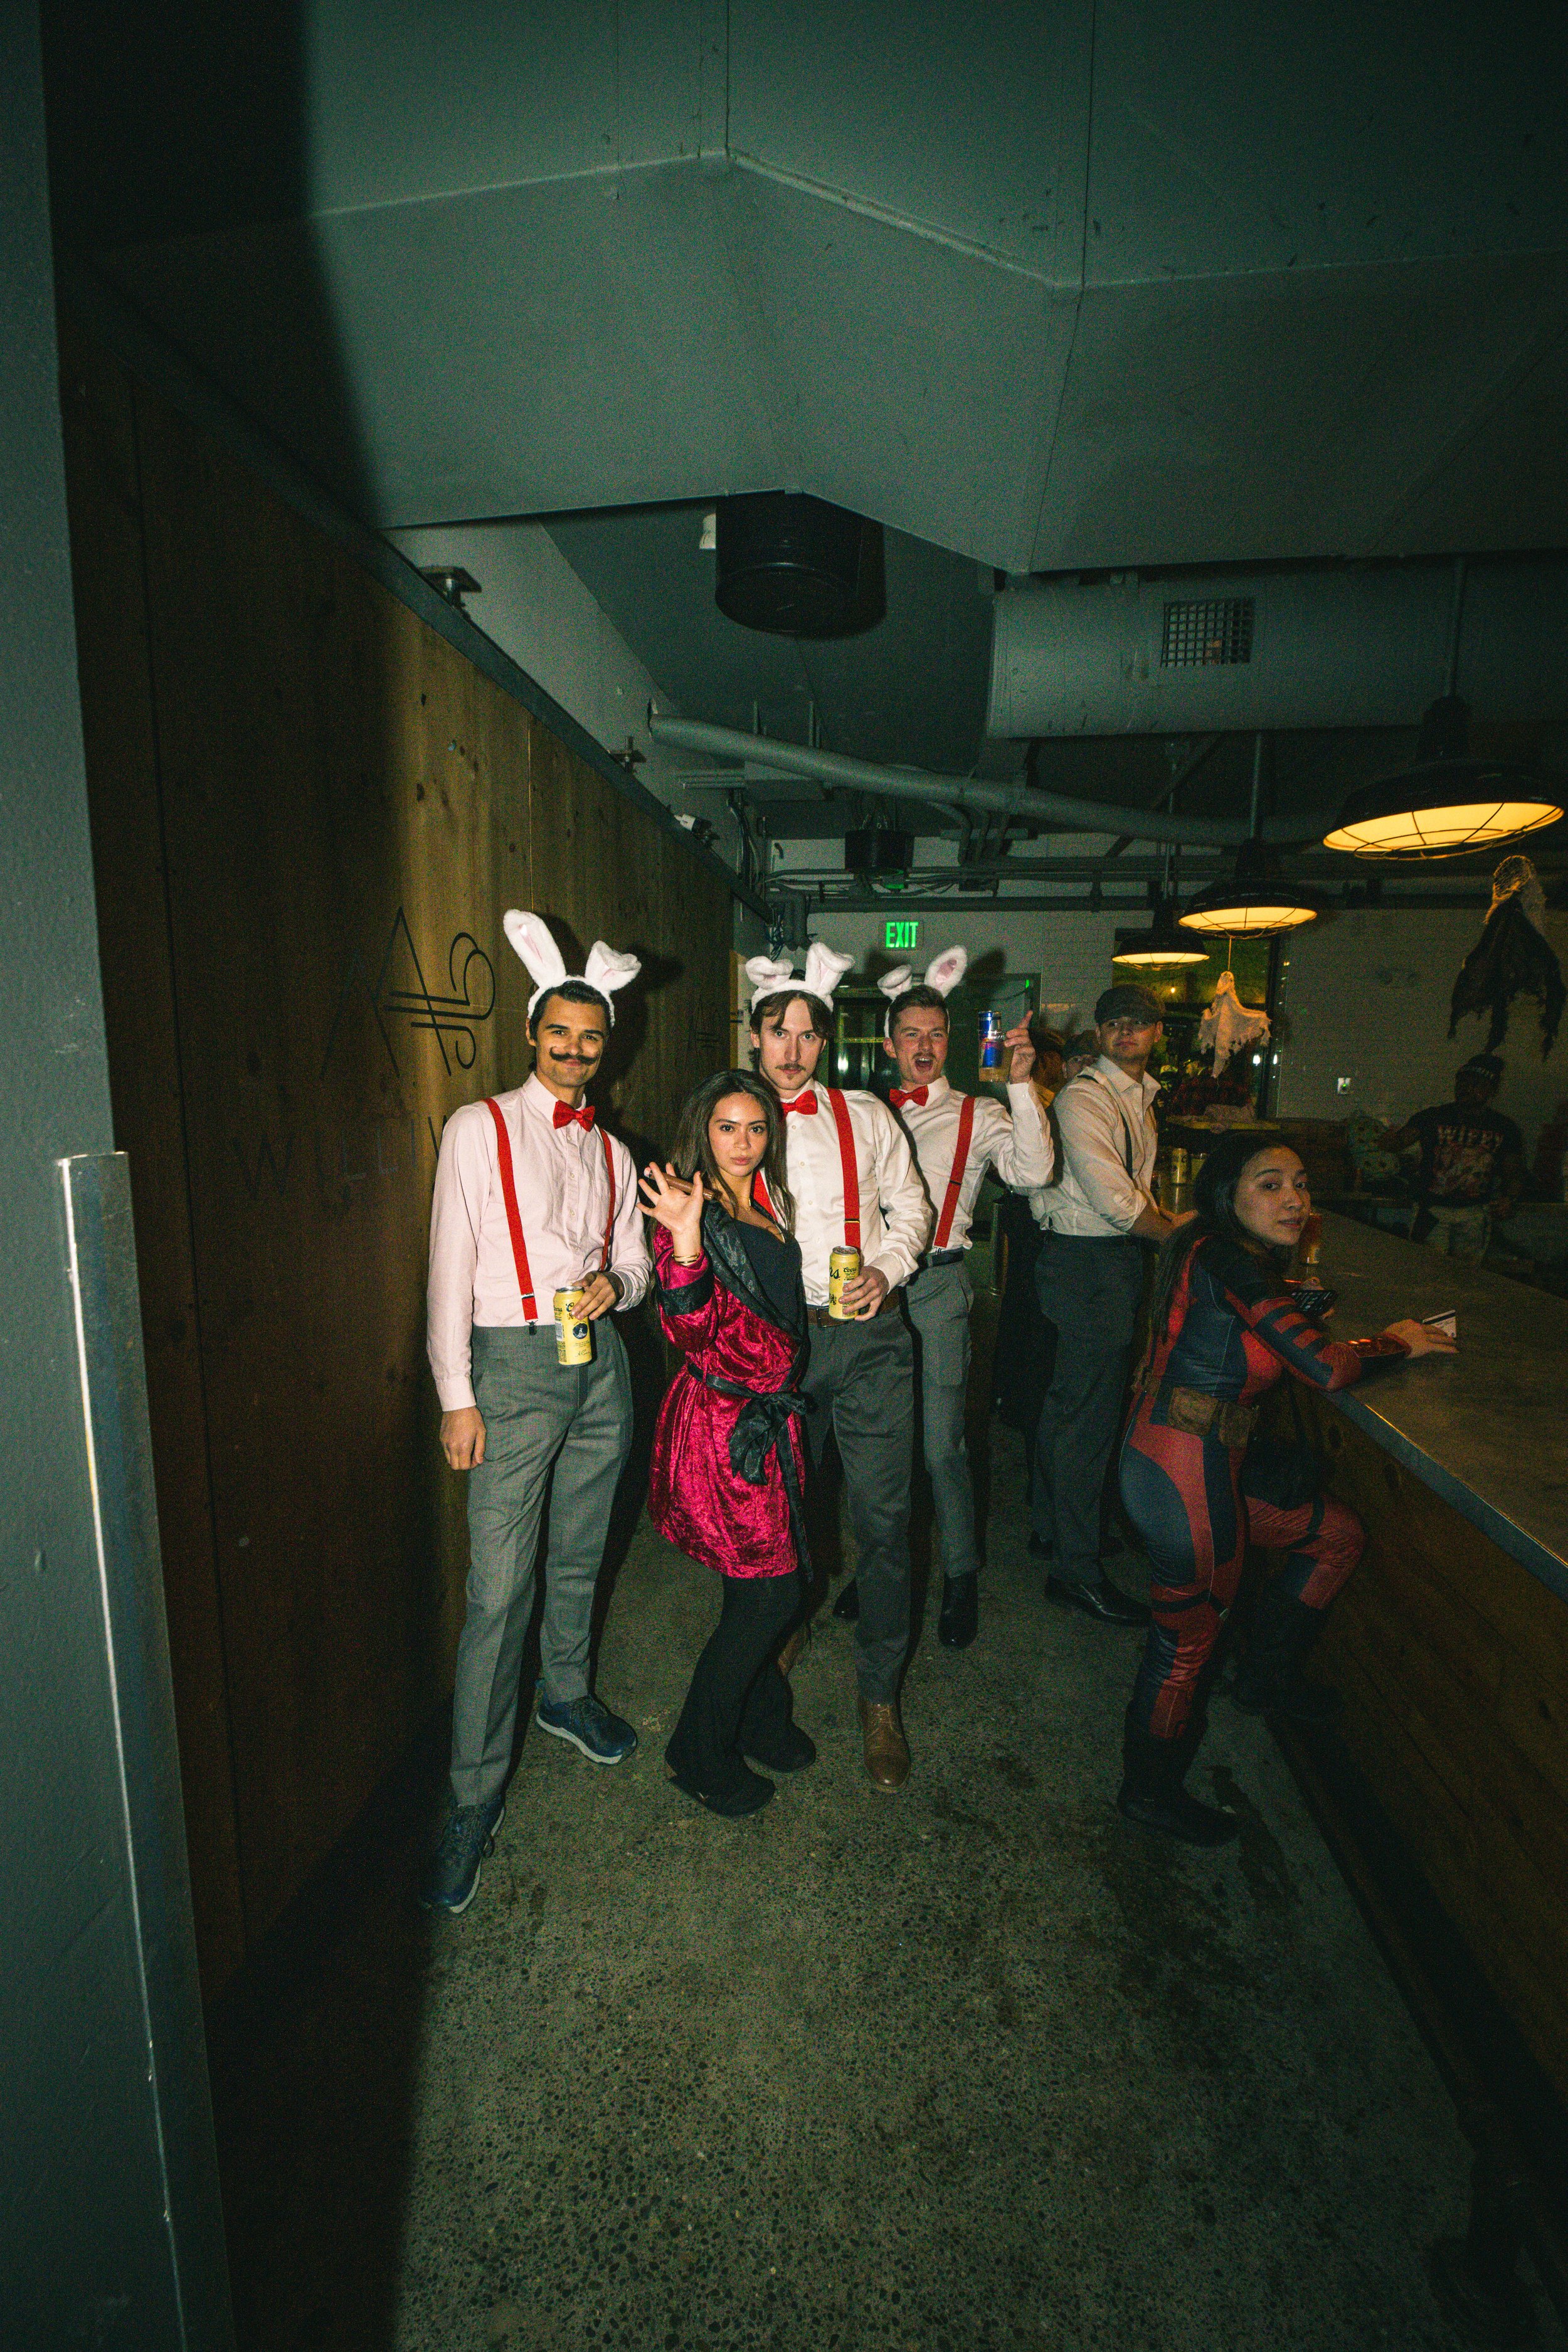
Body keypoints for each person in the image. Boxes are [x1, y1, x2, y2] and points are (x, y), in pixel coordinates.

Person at [1118, 1133, 1456, 1845]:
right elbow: (1324, 1368)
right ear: (1227, 1195)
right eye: (1270, 1185)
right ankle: (1147, 1793)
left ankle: (1264, 1679)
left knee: (1335, 1534)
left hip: (1181, 1460)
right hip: (1183, 1477)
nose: (1294, 1199)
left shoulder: (1212, 1247)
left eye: (1300, 1183)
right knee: (1184, 1648)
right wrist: (1396, 1341)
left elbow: (1257, 1331)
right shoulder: (1232, 1260)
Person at [420, 913, 651, 1915]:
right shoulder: (477, 1128)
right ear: (531, 1033)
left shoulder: (613, 1150)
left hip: (600, 1366)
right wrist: (456, 1395)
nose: (573, 1049)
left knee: (581, 1550)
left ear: (608, 1047)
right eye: (559, 1032)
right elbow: (448, 1266)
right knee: (497, 1590)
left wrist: (618, 1286)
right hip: (510, 1371)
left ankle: (565, 1693)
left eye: (590, 1037)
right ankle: (472, 1796)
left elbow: (637, 1261)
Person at [746, 946, 933, 1790]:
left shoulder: (866, 1114)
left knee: (885, 1521)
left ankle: (880, 1693)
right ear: (755, 1037)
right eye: (777, 1031)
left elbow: (912, 1207)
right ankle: (785, 1628)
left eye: (808, 1034)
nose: (792, 1049)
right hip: (779, 1344)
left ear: (825, 1042)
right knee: (779, 1516)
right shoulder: (731, 1119)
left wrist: (887, 1269)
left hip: (871, 1341)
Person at [835, 944, 1052, 1651]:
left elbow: (1034, 1173)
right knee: (876, 1448)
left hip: (935, 1288)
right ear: (889, 1044)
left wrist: (1022, 1086)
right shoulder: (860, 1110)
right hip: (869, 1290)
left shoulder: (977, 1115)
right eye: (910, 1035)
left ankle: (960, 1575)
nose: (923, 1047)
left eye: (934, 1033)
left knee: (939, 1448)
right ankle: (876, 1568)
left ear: (949, 1039)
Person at [640, 1072, 814, 1817]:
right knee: (772, 1593)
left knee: (761, 1588)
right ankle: (697, 1752)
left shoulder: (760, 1199)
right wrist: (684, 1238)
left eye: (755, 1128)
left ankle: (759, 1718)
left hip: (767, 1420)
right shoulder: (689, 1210)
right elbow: (685, 1327)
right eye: (726, 1128)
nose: (742, 1144)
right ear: (701, 1131)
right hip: (725, 1428)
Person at [1025, 983, 1190, 1624]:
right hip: (1088, 1263)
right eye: (1115, 1022)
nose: (1126, 1031)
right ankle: (1076, 1570)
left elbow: (1132, 1191)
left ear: (1157, 1033)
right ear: (1098, 1032)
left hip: (1096, 1261)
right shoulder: (1087, 1097)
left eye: (1139, 1022)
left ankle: (1054, 1527)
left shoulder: (1137, 1097)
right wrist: (1181, 1236)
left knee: (1072, 1406)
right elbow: (1117, 1202)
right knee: (1087, 1421)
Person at [1381, 1054, 1526, 1263]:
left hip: (1474, 1213)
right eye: (1463, 1083)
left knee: (1465, 1274)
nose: (1467, 1089)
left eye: (1475, 1085)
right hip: (1432, 1210)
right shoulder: (1433, 1117)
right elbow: (1397, 1143)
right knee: (1426, 1269)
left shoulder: (1504, 1127)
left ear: (1491, 1090)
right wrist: (1386, 1139)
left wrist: (1509, 1200)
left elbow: (1514, 1173)